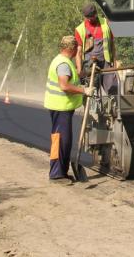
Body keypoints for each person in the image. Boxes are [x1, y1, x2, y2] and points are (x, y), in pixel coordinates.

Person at [43, 35, 93, 183]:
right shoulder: (63, 64)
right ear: (71, 49)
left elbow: (74, 77)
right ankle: (57, 174)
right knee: (61, 140)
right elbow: (64, 86)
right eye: (76, 48)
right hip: (60, 107)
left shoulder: (63, 61)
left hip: (61, 107)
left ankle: (61, 172)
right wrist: (84, 91)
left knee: (64, 140)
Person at [74, 3, 118, 94]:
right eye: (87, 17)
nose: (90, 19)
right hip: (89, 65)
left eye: (91, 17)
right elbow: (78, 52)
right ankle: (91, 107)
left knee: (112, 89)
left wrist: (115, 62)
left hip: (106, 62)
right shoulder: (80, 29)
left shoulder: (106, 23)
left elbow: (113, 45)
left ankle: (112, 106)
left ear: (96, 14)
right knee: (91, 90)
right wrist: (79, 69)